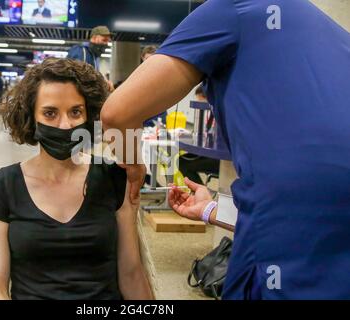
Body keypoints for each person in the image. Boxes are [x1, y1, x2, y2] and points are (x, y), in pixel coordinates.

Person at [100, 0, 350, 299]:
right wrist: (209, 210)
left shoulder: (233, 8)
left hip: (289, 231)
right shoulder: (332, 32)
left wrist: (133, 165)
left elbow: (117, 114)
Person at [0, 58, 153, 300]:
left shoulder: (112, 178)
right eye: (50, 113)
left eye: (75, 112)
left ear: (89, 115)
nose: (65, 124)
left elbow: (131, 274)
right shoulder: (3, 186)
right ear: (31, 116)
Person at [178, 84, 220, 185]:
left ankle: (201, 192)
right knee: (181, 161)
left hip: (222, 160)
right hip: (210, 153)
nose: (200, 107)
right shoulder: (208, 116)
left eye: (201, 102)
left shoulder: (219, 115)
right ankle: (201, 191)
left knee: (184, 164)